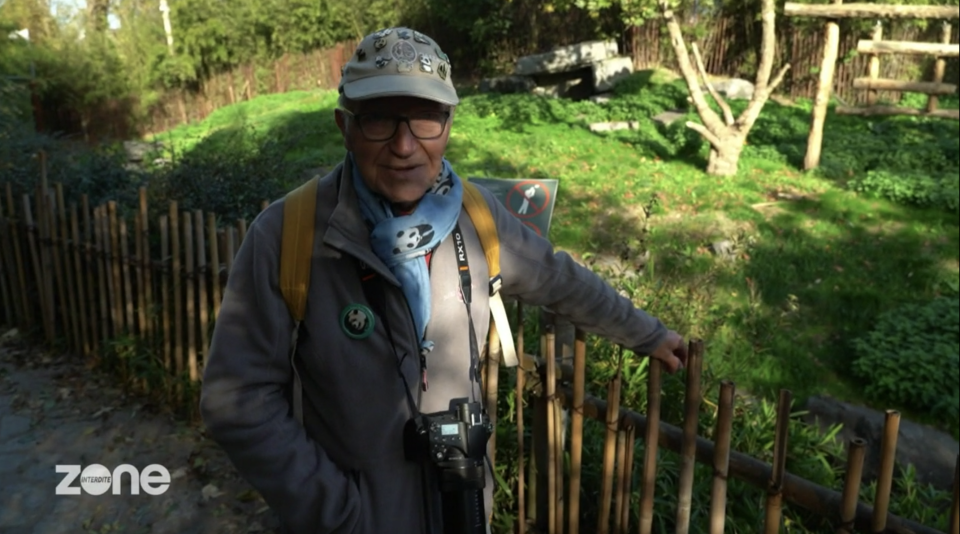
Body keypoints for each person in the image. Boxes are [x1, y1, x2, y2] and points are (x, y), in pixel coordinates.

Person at [199, 26, 689, 534]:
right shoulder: (288, 236)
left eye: (426, 119)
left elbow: (560, 280)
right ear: (344, 127)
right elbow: (237, 401)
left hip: (462, 509)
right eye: (380, 120)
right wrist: (340, 513)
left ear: (448, 125)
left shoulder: (476, 219)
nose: (405, 145)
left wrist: (648, 335)